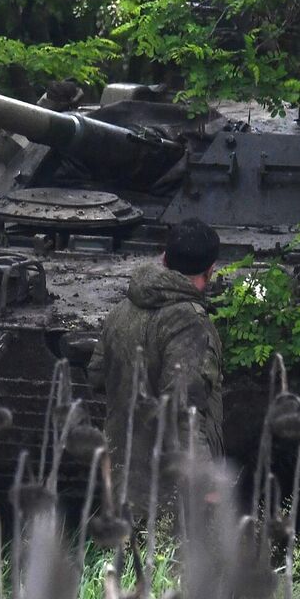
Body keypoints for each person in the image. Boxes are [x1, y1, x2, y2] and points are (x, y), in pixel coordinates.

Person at [87, 218, 225, 510]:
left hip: (121, 466)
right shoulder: (191, 324)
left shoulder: (122, 309)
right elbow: (184, 410)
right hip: (171, 483)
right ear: (210, 270)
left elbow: (97, 375)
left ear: (164, 259)